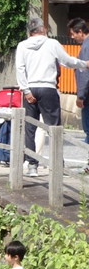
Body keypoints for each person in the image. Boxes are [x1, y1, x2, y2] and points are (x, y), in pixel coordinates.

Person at [15, 18, 89, 176]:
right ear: (43, 29)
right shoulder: (52, 44)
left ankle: (32, 166)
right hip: (48, 88)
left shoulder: (22, 46)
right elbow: (67, 61)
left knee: (30, 127)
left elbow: (20, 69)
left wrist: (26, 91)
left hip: (31, 88)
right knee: (54, 128)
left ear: (30, 31)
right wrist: (84, 64)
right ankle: (57, 166)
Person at [71, 18, 89, 174]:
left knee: (88, 129)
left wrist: (81, 96)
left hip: (88, 97)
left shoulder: (86, 47)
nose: (72, 37)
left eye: (73, 34)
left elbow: (84, 74)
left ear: (80, 32)